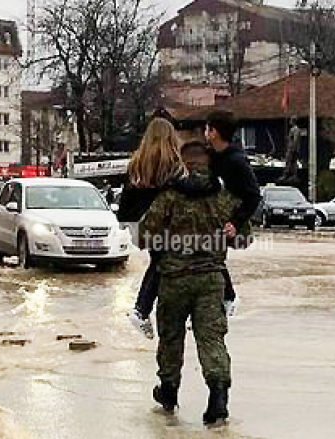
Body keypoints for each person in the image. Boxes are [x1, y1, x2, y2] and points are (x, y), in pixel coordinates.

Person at [136, 140, 234, 424]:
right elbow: (242, 233)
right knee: (211, 338)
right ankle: (218, 397)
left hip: (174, 278)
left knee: (171, 338)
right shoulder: (222, 195)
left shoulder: (169, 195)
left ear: (183, 162)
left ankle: (168, 392)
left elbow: (143, 234)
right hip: (211, 279)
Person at [117, 118, 220, 338]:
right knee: (190, 258)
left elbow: (126, 201)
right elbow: (183, 190)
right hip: (162, 224)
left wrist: (126, 224)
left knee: (158, 262)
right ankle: (147, 310)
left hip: (139, 226)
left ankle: (142, 310)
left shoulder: (137, 162)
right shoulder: (173, 163)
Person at [204, 110, 262, 306]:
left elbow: (254, 195)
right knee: (208, 257)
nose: (204, 133)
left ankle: (229, 298)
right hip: (211, 219)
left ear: (214, 132)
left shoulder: (237, 161)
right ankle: (223, 299)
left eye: (207, 128)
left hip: (228, 221)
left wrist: (236, 222)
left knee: (213, 258)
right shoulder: (211, 156)